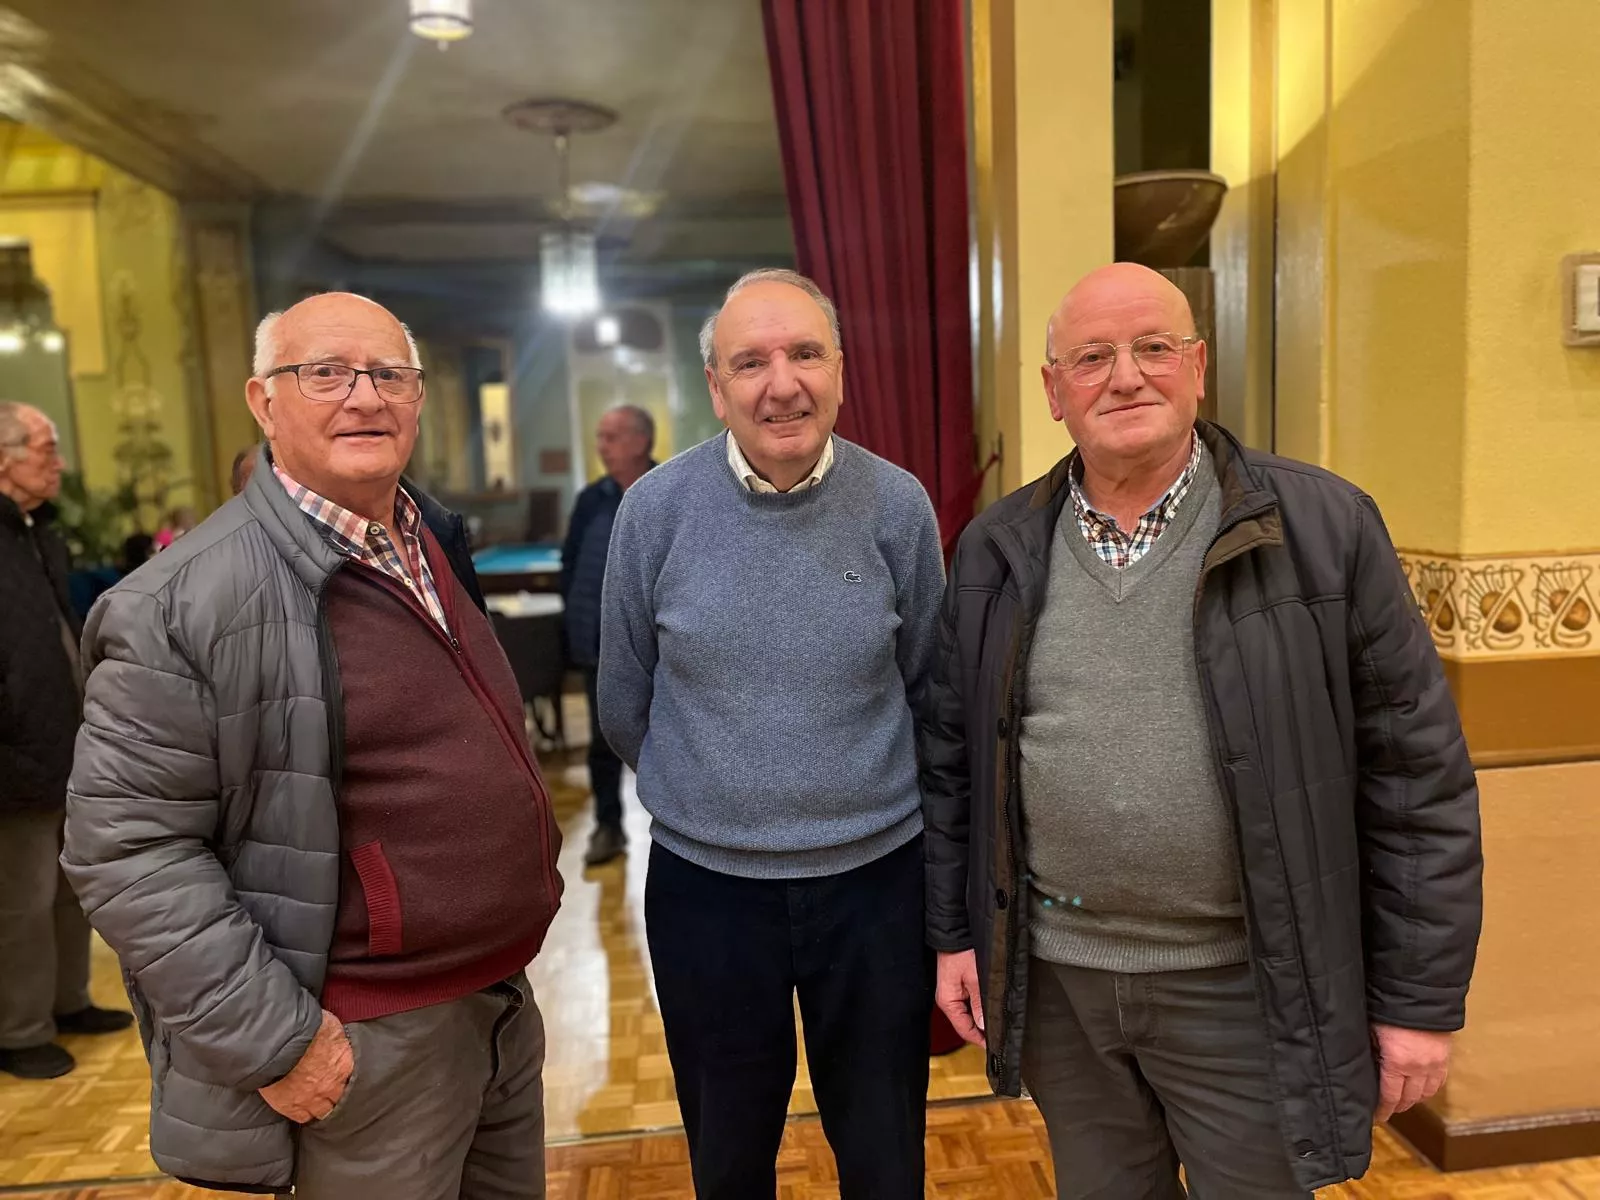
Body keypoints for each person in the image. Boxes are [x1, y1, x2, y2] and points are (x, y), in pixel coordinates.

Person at [923, 262, 1484, 1198]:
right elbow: (952, 768)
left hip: (1250, 988)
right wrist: (954, 937)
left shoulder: (1321, 528)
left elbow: (1416, 780)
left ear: (1199, 366)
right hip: (1062, 986)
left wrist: (1419, 1004)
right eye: (1093, 357)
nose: (1126, 376)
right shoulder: (994, 550)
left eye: (1153, 348)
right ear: (1054, 391)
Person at [63, 293, 564, 1198]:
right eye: (325, 373)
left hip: (496, 1004)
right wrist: (275, 1042)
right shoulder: (177, 603)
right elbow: (127, 852)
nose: (364, 398)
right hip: (364, 1043)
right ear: (263, 402)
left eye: (389, 375)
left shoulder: (422, 539)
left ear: (417, 400)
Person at [598, 269, 945, 1199]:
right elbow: (624, 699)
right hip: (707, 896)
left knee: (883, 1158)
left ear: (841, 370)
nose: (779, 383)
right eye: (749, 361)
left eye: (803, 354)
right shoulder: (654, 513)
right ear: (715, 385)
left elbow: (928, 691)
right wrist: (720, 792)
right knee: (729, 1160)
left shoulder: (898, 506)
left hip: (876, 890)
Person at [0, 402, 133, 1080]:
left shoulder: (40, 531)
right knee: (18, 901)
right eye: (46, 450)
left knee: (71, 884)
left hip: (65, 739)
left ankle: (69, 999)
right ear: (4, 458)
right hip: (13, 752)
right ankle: (20, 1029)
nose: (59, 464)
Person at [560, 405, 655, 866]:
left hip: (662, 648)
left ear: (640, 441)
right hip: (599, 644)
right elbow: (571, 566)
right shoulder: (590, 499)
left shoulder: (668, 491)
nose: (602, 446)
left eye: (612, 436)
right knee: (603, 743)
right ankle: (608, 826)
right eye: (599, 436)